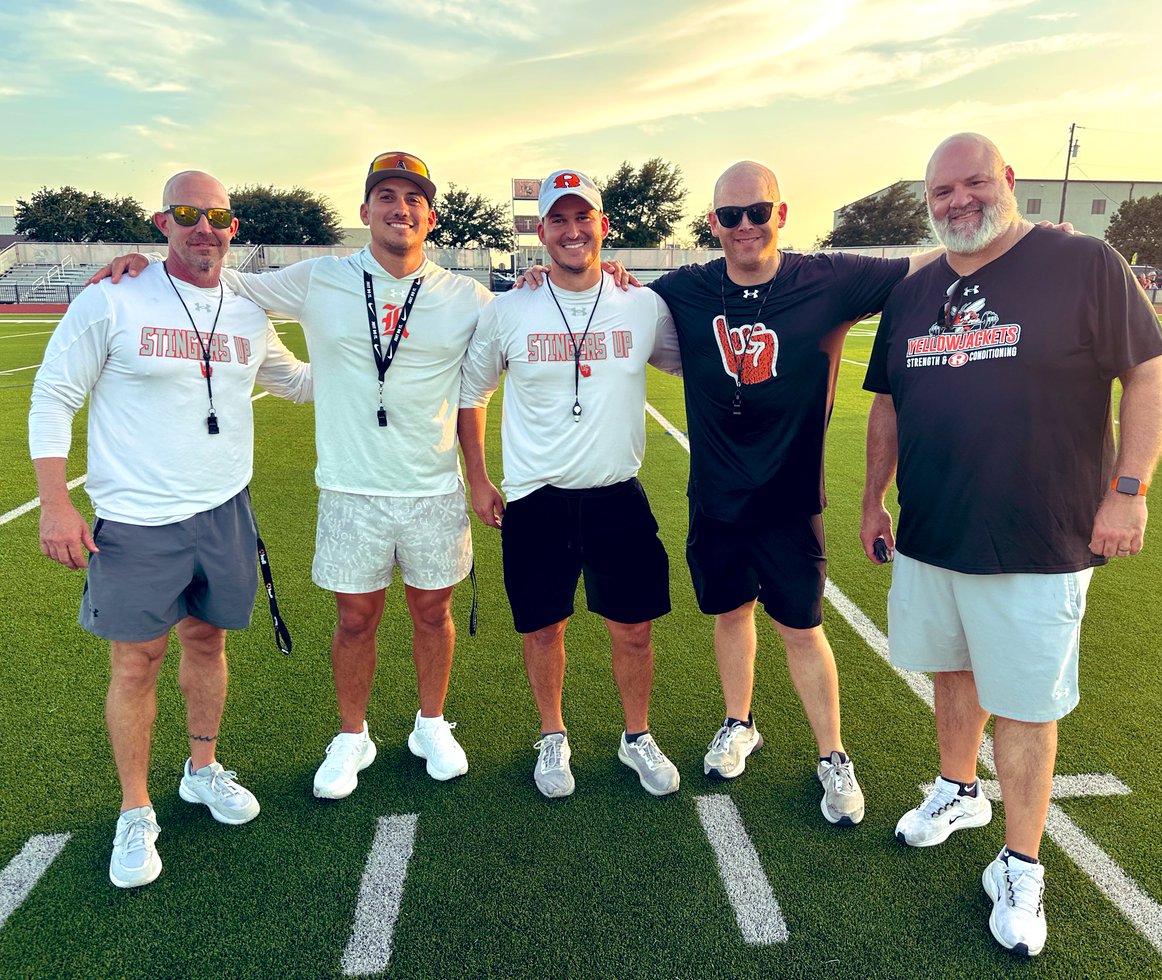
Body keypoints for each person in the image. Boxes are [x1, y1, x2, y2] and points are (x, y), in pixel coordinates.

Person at [860, 132, 1162, 956]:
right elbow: (888, 402)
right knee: (952, 670)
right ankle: (959, 790)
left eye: (972, 185)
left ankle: (1020, 861)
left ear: (1007, 179)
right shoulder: (917, 288)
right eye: (940, 194)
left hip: (1040, 534)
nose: (958, 202)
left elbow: (1148, 370)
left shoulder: (1082, 262)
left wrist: (1130, 488)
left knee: (1028, 707)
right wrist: (873, 500)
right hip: (932, 532)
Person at [103, 152, 494, 798]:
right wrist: (147, 267)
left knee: (433, 612)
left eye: (414, 199)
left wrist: (588, 277)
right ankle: (351, 735)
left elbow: (520, 333)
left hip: (434, 488)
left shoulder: (466, 297)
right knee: (354, 620)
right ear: (365, 212)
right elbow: (214, 277)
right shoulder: (319, 279)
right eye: (387, 197)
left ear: (431, 215)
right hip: (349, 487)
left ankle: (431, 723)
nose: (401, 209)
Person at [30, 171, 312, 888]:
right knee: (135, 662)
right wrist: (56, 502)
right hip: (137, 518)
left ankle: (203, 766)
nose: (203, 228)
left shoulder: (247, 309)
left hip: (224, 508)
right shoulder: (115, 295)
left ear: (233, 228)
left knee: (208, 640)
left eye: (216, 216)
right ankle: (134, 809)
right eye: (188, 214)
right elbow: (54, 393)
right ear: (162, 222)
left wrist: (397, 363)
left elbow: (299, 382)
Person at [644, 162, 942, 825]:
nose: (743, 226)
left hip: (789, 497)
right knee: (729, 614)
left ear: (780, 213)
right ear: (713, 222)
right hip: (716, 496)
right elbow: (608, 298)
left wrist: (1023, 241)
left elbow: (928, 260)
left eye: (756, 212)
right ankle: (738, 722)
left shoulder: (826, 278)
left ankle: (833, 756)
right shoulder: (687, 288)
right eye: (729, 215)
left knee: (803, 629)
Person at [458, 170, 681, 798]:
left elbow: (687, 365)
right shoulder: (509, 307)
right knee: (543, 627)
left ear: (603, 227)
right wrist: (478, 478)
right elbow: (472, 392)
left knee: (634, 627)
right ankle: (553, 734)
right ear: (543, 231)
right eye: (559, 219)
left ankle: (635, 735)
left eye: (583, 218)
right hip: (536, 498)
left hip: (616, 493)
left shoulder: (642, 303)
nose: (572, 230)